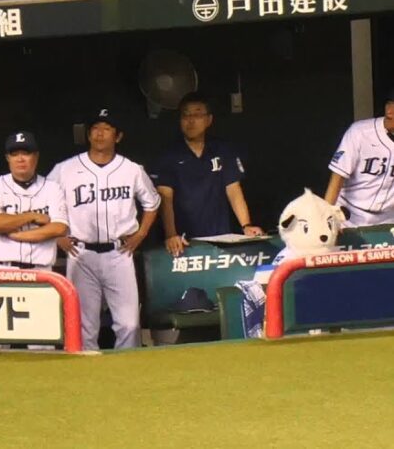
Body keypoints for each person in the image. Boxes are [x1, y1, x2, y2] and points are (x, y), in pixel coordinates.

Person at [49, 108, 160, 351]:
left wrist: (140, 234)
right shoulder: (64, 169)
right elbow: (43, 203)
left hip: (119, 253)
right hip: (81, 253)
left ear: (117, 136)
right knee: (84, 327)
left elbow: (153, 203)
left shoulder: (131, 169)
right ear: (88, 134)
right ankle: (86, 379)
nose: (100, 134)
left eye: (106, 129)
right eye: (95, 129)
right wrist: (57, 236)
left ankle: (128, 376)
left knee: (129, 325)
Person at [150, 92, 264, 258]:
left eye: (197, 114)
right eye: (186, 115)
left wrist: (246, 225)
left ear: (209, 120)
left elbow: (233, 189)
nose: (190, 120)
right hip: (183, 242)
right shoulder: (168, 155)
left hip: (220, 239)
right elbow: (165, 197)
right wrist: (170, 234)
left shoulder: (222, 149)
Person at [0, 130, 68, 271]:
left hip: (40, 270)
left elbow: (59, 228)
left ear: (36, 156)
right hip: (0, 269)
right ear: (7, 157)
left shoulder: (52, 188)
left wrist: (18, 234)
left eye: (26, 153)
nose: (20, 159)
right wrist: (32, 216)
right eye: (14, 154)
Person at [324, 86, 394, 227]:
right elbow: (337, 178)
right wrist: (325, 216)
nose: (390, 110)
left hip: (387, 220)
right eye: (389, 104)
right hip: (348, 215)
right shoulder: (360, 132)